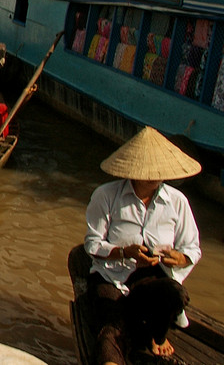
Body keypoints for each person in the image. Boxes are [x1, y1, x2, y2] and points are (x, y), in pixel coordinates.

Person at [84, 127, 202, 364]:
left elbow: (192, 248)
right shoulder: (106, 195)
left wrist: (177, 258)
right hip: (111, 277)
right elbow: (92, 244)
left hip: (150, 279)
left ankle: (156, 336)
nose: (152, 176)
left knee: (176, 294)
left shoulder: (177, 202)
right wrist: (122, 252)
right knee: (111, 328)